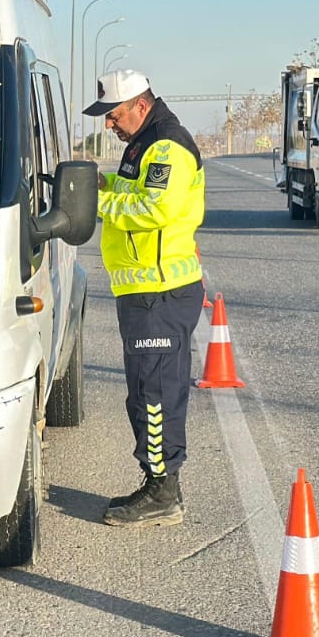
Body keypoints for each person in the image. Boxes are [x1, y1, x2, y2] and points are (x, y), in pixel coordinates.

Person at [84, 69, 207, 529]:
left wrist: (95, 204)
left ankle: (163, 491)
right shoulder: (143, 143)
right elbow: (137, 193)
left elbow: (156, 208)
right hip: (142, 289)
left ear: (139, 104)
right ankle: (157, 482)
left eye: (113, 115)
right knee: (145, 392)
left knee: (155, 395)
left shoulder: (167, 145)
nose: (108, 126)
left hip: (161, 291)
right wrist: (105, 187)